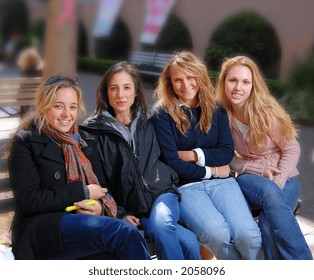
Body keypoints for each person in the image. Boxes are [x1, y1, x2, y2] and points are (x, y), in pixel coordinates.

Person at [8, 75, 151, 260]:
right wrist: (82, 192)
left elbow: (101, 188)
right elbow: (29, 200)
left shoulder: (85, 140)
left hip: (81, 226)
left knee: (116, 254)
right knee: (123, 234)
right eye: (58, 106)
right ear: (44, 106)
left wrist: (101, 208)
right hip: (42, 230)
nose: (67, 115)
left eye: (72, 107)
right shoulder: (27, 141)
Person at [80, 61, 201, 260]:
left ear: (136, 91)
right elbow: (96, 181)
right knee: (188, 242)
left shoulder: (149, 122)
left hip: (161, 196)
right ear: (105, 92)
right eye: (114, 88)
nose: (121, 95)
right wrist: (119, 213)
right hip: (132, 207)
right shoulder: (92, 132)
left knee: (162, 228)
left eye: (127, 87)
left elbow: (167, 156)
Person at [150, 51, 263, 260]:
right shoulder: (162, 114)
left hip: (223, 183)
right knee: (218, 235)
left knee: (250, 237)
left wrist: (194, 155)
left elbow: (226, 151)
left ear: (200, 76)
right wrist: (213, 170)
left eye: (191, 77)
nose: (186, 85)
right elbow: (172, 162)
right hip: (187, 187)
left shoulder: (216, 107)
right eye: (178, 80)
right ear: (170, 83)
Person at [215, 55, 313, 260]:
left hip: (286, 178)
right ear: (224, 82)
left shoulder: (267, 113)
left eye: (245, 82)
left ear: (253, 85)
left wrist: (279, 179)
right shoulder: (221, 116)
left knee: (268, 225)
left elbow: (291, 149)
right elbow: (226, 156)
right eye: (232, 80)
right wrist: (257, 169)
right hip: (249, 178)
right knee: (268, 191)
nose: (238, 87)